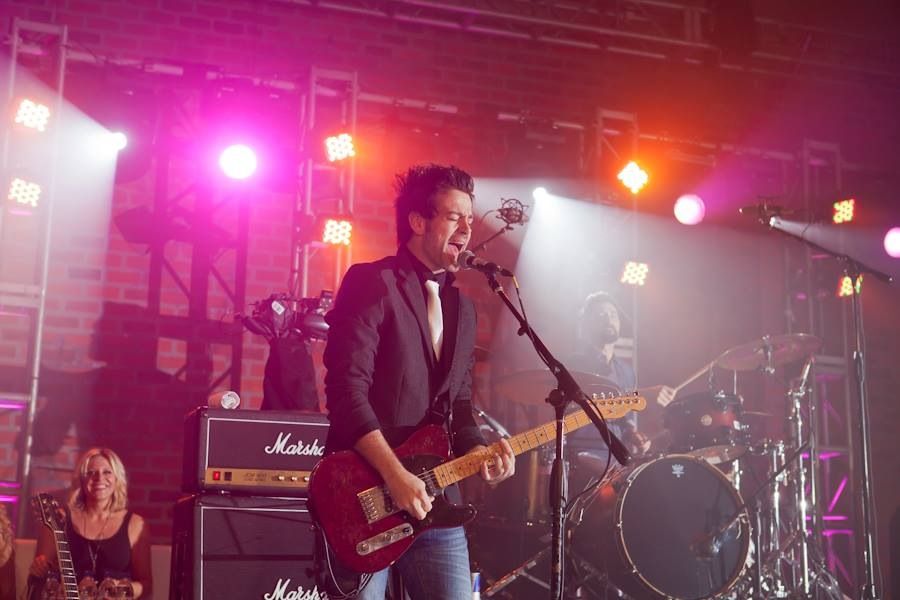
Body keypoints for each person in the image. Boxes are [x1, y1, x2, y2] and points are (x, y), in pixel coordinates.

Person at [320, 163, 516, 599]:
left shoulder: (464, 309)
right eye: (454, 217)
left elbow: (459, 405)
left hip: (436, 500)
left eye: (470, 219)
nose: (467, 228)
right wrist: (394, 475)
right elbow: (346, 393)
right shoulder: (372, 282)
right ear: (418, 221)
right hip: (365, 495)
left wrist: (478, 452)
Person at [568, 291, 676, 465]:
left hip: (618, 455)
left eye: (613, 315)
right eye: (601, 315)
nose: (609, 320)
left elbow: (626, 421)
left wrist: (634, 436)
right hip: (583, 453)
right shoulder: (574, 365)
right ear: (587, 324)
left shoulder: (627, 371)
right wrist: (643, 395)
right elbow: (593, 405)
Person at [28, 448, 152, 599]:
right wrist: (40, 568)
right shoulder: (57, 519)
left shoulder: (135, 524)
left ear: (117, 478)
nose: (99, 478)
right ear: (81, 479)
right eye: (91, 473)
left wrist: (124, 589)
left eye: (107, 472)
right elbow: (41, 577)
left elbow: (146, 585)